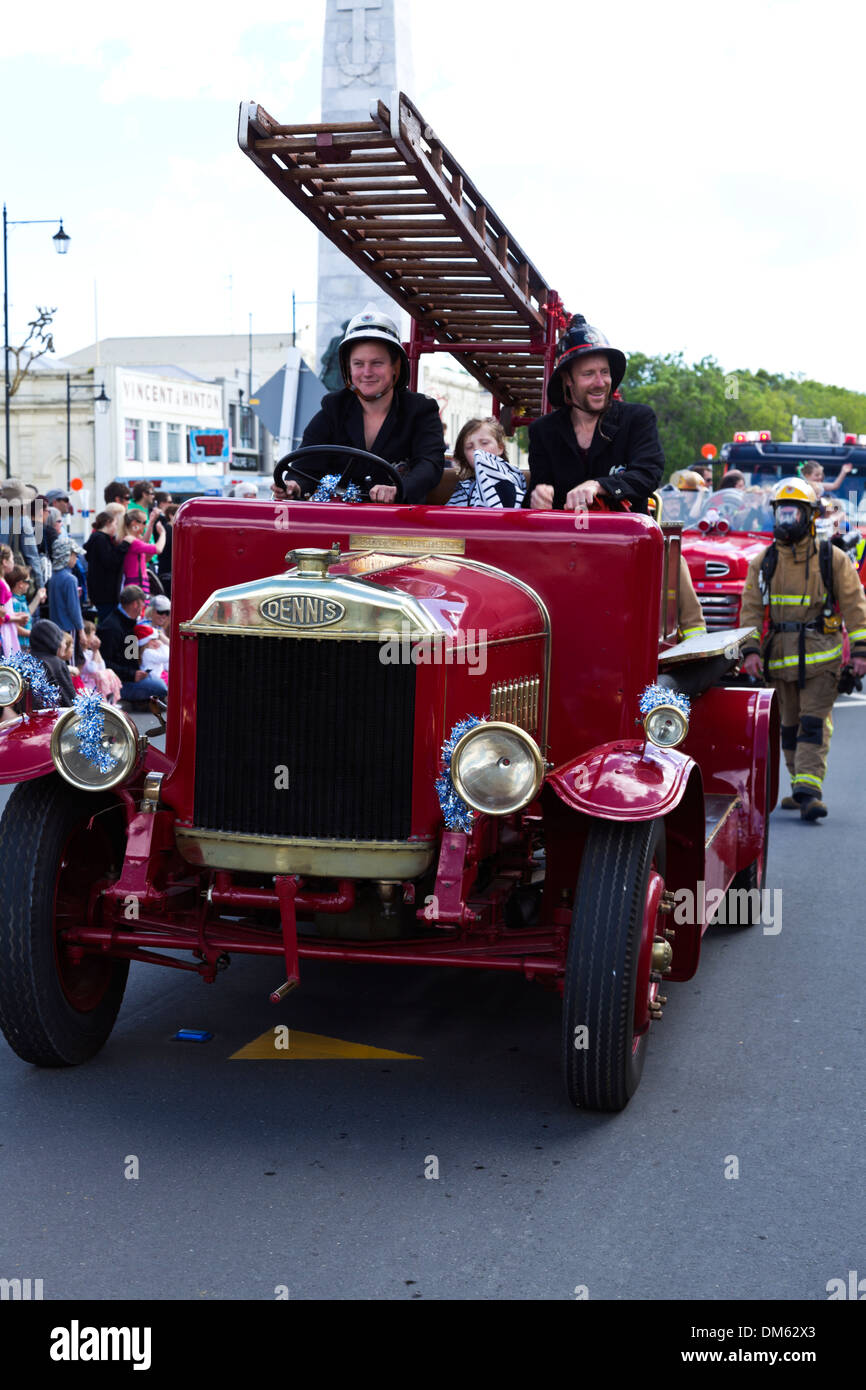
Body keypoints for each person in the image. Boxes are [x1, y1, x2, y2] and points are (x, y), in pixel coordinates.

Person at [739, 477, 866, 821]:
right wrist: (750, 651)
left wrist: (860, 651)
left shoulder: (832, 558)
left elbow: (855, 606)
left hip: (822, 660)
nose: (786, 520)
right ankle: (800, 784)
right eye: (782, 513)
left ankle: (809, 792)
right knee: (790, 727)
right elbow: (750, 610)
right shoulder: (763, 562)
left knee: (812, 724)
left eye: (793, 513)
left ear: (809, 517)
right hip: (779, 660)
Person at [276, 304, 445, 504]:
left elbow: (429, 465)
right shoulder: (333, 409)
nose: (366, 372)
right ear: (348, 369)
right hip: (341, 522)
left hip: (399, 524)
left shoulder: (420, 410)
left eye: (377, 363)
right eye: (358, 364)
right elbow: (304, 468)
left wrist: (397, 488)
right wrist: (293, 485)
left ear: (395, 367)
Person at [526, 314, 664, 512]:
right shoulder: (543, 431)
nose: (600, 383)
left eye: (605, 372)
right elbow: (537, 494)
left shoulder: (638, 418)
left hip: (626, 539)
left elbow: (648, 475)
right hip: (565, 539)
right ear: (567, 379)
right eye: (588, 374)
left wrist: (599, 485)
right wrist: (538, 499)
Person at [98, 585, 167, 704]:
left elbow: (130, 654)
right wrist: (131, 674)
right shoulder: (112, 627)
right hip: (121, 681)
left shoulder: (128, 621)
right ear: (135, 604)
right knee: (161, 687)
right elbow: (105, 663)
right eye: (142, 603)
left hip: (133, 674)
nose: (144, 607)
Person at [447, 417, 526, 508]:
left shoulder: (513, 476)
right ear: (464, 456)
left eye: (484, 443)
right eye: (469, 447)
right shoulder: (465, 488)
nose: (477, 450)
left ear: (500, 448)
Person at [84, 510, 130, 622]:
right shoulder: (101, 539)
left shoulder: (98, 539)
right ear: (108, 523)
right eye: (115, 524)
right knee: (107, 622)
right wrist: (125, 545)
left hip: (100, 593)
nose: (116, 528)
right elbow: (111, 561)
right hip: (105, 593)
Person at [47, 537, 86, 656]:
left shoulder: (52, 577)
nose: (76, 558)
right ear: (66, 556)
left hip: (55, 627)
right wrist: (81, 630)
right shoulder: (70, 579)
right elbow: (74, 609)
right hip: (69, 627)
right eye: (74, 555)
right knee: (71, 659)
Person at [28, 619, 77, 706]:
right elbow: (70, 701)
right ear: (52, 640)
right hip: (53, 717)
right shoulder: (55, 663)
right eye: (60, 639)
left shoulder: (25, 661)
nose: (64, 645)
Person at [118, 508, 165, 598]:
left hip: (135, 581)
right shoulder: (132, 541)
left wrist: (151, 522)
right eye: (143, 523)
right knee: (141, 610)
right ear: (134, 523)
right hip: (137, 582)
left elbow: (144, 542)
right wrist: (163, 534)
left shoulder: (130, 539)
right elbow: (158, 549)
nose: (145, 526)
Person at [79, 621, 122, 703]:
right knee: (100, 674)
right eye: (93, 635)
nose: (95, 637)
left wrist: (96, 650)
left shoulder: (90, 652)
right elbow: (92, 669)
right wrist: (95, 651)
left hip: (95, 684)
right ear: (86, 636)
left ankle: (110, 698)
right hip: (87, 686)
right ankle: (107, 700)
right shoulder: (81, 654)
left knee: (108, 671)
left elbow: (102, 666)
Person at [6, 565, 45, 650]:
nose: (29, 584)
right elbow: (15, 627)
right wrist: (32, 634)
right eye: (28, 581)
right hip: (20, 645)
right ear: (20, 584)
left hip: (25, 644)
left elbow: (27, 614)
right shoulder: (14, 602)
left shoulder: (20, 599)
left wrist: (38, 597)